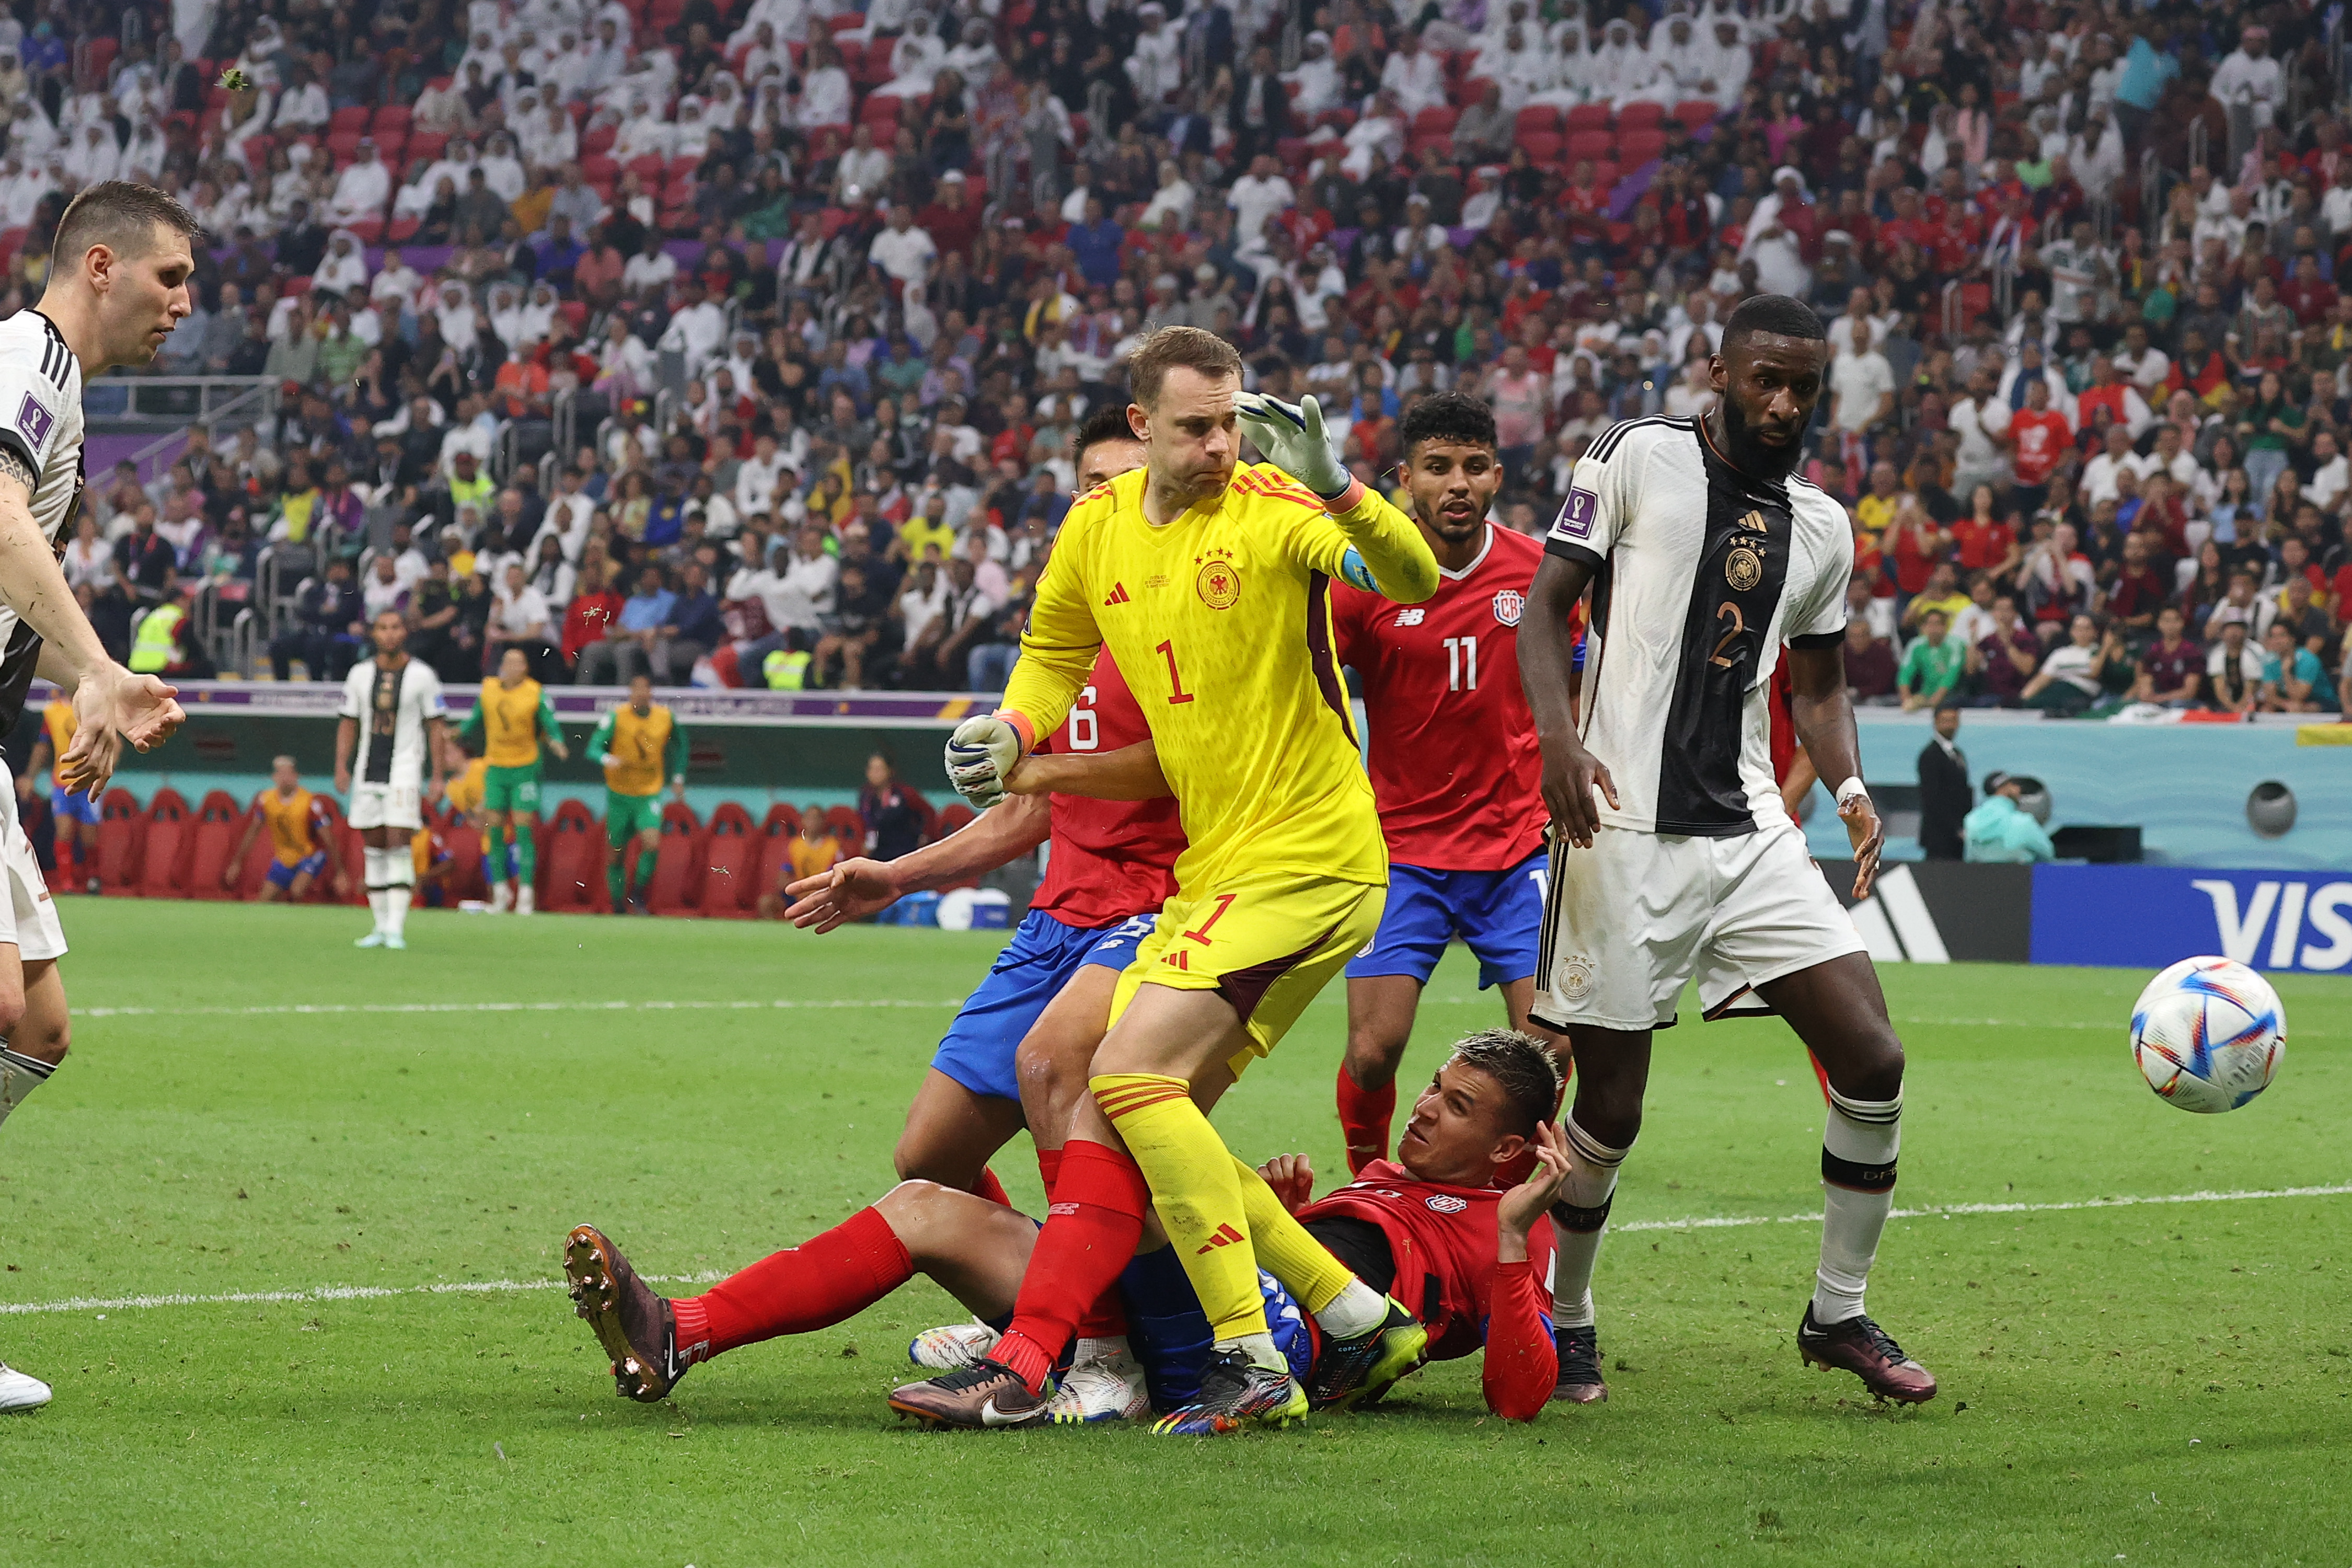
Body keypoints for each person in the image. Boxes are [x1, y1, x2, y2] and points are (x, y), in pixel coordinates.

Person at [896, 326, 1440, 1434]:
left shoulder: (1275, 506)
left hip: (1311, 857)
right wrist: (1014, 730)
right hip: (1220, 867)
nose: (1222, 445)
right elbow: (1053, 655)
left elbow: (1412, 576)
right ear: (1142, 426)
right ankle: (1353, 1316)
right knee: (1141, 1104)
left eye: (1231, 422)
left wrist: (1341, 489)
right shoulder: (1097, 526)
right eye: (1197, 427)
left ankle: (1248, 1357)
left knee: (1131, 1077)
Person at [1518, 293, 1936, 1408]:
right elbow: (1546, 607)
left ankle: (1836, 1314)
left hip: (1751, 832)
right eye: (1766, 379)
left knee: (1873, 1060)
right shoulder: (1635, 455)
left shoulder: (1824, 525)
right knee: (1612, 1109)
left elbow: (1821, 686)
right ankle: (1568, 1316)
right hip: (1621, 828)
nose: (1785, 402)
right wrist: (1559, 742)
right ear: (1721, 371)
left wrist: (1849, 786)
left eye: (1803, 386)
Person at [779, 411, 1183, 1421]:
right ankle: (1031, 1308)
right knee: (929, 1157)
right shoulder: (1064, 624)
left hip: (1153, 916)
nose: (1104, 498)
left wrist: (1039, 770)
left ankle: (1098, 1355)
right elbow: (1028, 810)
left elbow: (1186, 766)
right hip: (1055, 920)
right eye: (1090, 482)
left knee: (1053, 1075)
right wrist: (896, 877)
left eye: (1125, 481)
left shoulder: (1186, 619)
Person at [562, 1031, 1567, 1423]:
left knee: (1124, 1104)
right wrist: (1288, 1210)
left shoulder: (1509, 1227)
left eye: (1458, 1107)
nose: (1425, 1110)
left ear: (1510, 1152)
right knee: (923, 1204)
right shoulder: (1391, 1178)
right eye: (1434, 1088)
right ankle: (682, 1334)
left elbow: (1521, 1395)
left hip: (1254, 1347)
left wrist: (1518, 1241)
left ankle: (1080, 1363)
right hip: (1191, 1288)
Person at [0, 181, 198, 1412]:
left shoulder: (60, 388)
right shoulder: (26, 359)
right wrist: (104, 671)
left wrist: (86, 684)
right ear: (104, 265)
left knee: (36, 1029)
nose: (186, 304)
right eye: (172, 278)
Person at [1323, 390, 1570, 1179]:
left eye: (1473, 466)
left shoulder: (1541, 573)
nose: (1457, 483)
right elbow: (1311, 688)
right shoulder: (1364, 577)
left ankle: (1506, 1201)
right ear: (1406, 480)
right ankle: (1370, 1188)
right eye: (1437, 468)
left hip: (1515, 850)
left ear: (1497, 475)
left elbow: (1585, 682)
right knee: (1373, 1050)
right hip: (1402, 851)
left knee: (1552, 1046)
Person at [335, 609, 450, 951]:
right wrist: (341, 765)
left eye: (395, 627)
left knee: (399, 841)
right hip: (367, 769)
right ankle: (380, 926)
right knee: (374, 847)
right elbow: (348, 722)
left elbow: (436, 727)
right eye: (383, 628)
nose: (389, 634)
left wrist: (438, 776)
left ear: (405, 632)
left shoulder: (422, 676)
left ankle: (397, 928)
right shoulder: (359, 674)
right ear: (374, 634)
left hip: (404, 769)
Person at [457, 647, 570, 914]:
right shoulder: (489, 690)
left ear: (525, 668)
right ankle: (500, 892)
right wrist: (457, 732)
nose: (512, 667)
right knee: (494, 829)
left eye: (518, 663)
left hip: (525, 768)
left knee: (523, 829)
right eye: (508, 662)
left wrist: (557, 742)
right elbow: (475, 719)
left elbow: (549, 723)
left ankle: (526, 895)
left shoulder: (534, 693)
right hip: (496, 767)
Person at [589, 673, 684, 914]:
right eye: (636, 690)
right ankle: (618, 905)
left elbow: (682, 745)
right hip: (620, 795)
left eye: (645, 690)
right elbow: (593, 748)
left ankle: (638, 894)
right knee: (615, 855)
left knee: (652, 843)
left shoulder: (665, 717)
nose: (640, 695)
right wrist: (607, 758)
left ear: (651, 693)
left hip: (649, 793)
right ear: (630, 693)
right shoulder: (616, 716)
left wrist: (678, 777)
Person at [224, 754, 345, 902]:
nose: (285, 778)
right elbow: (253, 832)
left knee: (297, 891)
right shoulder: (266, 801)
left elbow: (329, 839)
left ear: (296, 777)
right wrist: (237, 862)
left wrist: (340, 872)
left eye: (289, 774)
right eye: (281, 774)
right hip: (284, 857)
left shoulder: (309, 803)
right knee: (264, 900)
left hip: (310, 855)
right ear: (274, 777)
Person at [25, 697, 98, 894]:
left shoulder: (94, 706)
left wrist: (104, 770)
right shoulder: (52, 712)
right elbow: (43, 746)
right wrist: (31, 777)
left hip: (88, 784)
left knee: (89, 836)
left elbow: (114, 743)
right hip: (62, 783)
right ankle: (67, 882)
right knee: (64, 831)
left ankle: (92, 879)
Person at [756, 808, 843, 920]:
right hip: (796, 894)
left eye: (816, 818)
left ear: (823, 821)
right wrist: (795, 890)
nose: (812, 822)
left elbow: (836, 877)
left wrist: (813, 893)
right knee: (766, 902)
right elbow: (783, 876)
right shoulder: (795, 845)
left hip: (822, 895)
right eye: (809, 818)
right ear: (803, 821)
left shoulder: (833, 846)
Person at [1915, 706, 1969, 861]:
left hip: (1958, 835)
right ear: (1936, 723)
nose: (1950, 725)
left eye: (1953, 721)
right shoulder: (1930, 755)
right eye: (1945, 721)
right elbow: (1932, 797)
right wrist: (1954, 828)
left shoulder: (1957, 754)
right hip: (1939, 834)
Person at [1963, 771, 2055, 863]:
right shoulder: (2023, 823)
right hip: (2018, 871)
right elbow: (2048, 853)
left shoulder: (1971, 820)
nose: (2019, 789)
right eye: (2014, 785)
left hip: (1976, 871)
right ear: (2007, 788)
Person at [1896, 608, 1964, 711]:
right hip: (1925, 694)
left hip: (1954, 695)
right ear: (1923, 627)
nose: (1934, 628)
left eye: (1938, 624)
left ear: (1945, 626)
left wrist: (1934, 702)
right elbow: (1905, 673)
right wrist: (1907, 700)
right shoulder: (1916, 645)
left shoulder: (1956, 644)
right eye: (1930, 624)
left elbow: (1952, 675)